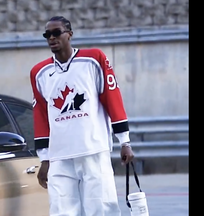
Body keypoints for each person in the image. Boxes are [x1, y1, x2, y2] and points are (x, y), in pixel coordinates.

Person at [30, 16, 134, 216]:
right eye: (47, 35)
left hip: (93, 150)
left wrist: (124, 141)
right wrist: (44, 158)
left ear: (69, 34)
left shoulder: (94, 59)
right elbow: (41, 115)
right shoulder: (39, 72)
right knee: (61, 210)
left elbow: (112, 98)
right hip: (60, 156)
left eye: (56, 33)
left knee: (101, 208)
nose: (51, 38)